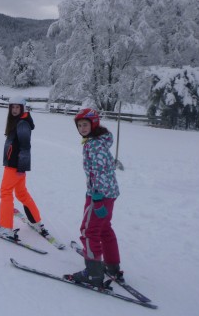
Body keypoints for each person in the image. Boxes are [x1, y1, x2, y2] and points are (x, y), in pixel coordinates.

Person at [65, 108, 121, 288]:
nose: (82, 128)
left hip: (99, 195)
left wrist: (96, 196)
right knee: (104, 228)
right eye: (79, 125)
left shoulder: (93, 145)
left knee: (89, 231)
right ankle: (112, 266)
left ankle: (93, 273)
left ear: (94, 124)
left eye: (85, 125)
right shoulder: (101, 141)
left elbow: (98, 172)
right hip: (109, 194)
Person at [0, 96, 47, 241]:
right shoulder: (21, 121)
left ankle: (5, 226)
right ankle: (36, 221)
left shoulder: (22, 123)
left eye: (17, 107)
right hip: (18, 166)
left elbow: (26, 147)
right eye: (12, 107)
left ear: (22, 108)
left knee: (6, 192)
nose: (14, 110)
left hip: (15, 166)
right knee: (21, 193)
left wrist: (20, 167)